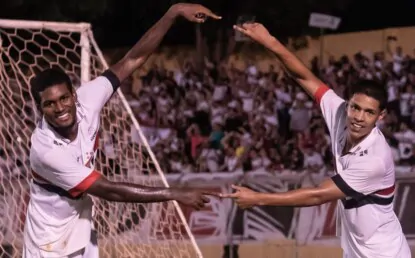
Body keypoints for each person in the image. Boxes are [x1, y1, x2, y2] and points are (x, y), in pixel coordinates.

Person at [23, 4, 221, 258]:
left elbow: (133, 59)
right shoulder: (45, 150)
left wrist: (173, 12)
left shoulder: (88, 99)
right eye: (48, 104)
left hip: (81, 225)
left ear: (74, 95)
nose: (59, 108)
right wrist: (176, 193)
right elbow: (110, 190)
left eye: (63, 98)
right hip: (48, 242)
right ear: (40, 109)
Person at [222, 23, 411, 258]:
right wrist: (268, 41)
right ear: (348, 103)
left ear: (380, 117)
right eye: (356, 107)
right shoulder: (341, 112)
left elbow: (317, 195)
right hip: (355, 252)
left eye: (369, 112)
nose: (359, 118)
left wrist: (258, 198)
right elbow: (303, 76)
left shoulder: (374, 159)